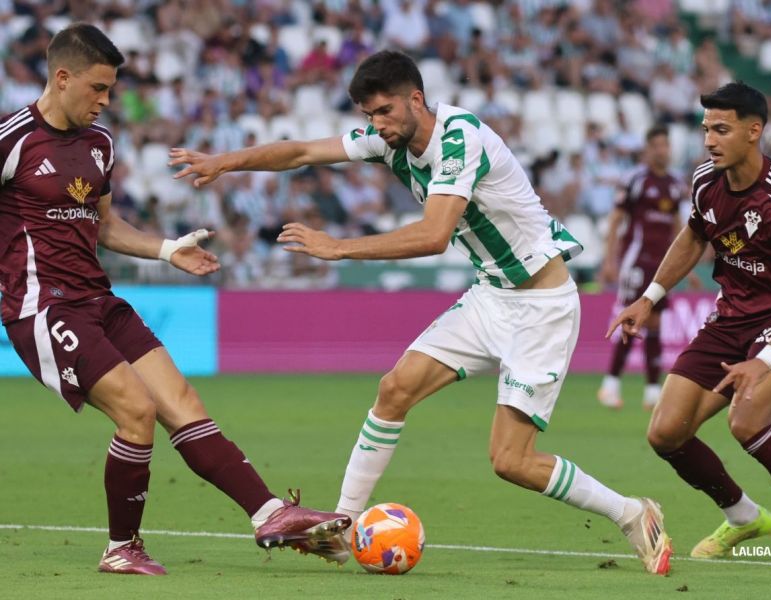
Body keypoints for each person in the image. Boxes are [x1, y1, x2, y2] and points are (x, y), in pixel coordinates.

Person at [170, 49, 673, 575]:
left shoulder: (460, 138)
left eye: (385, 111)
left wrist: (339, 248)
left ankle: (632, 512)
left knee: (511, 461)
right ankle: (343, 526)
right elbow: (301, 151)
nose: (378, 125)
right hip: (491, 295)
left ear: (416, 99)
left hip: (542, 308)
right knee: (395, 389)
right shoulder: (388, 139)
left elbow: (434, 235)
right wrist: (224, 162)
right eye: (369, 115)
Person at [0, 23, 350, 576]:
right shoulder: (13, 139)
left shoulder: (99, 144)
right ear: (62, 78)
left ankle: (270, 514)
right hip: (43, 308)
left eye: (110, 89)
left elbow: (106, 227)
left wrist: (168, 250)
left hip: (98, 299)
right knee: (136, 410)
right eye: (97, 88)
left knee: (181, 401)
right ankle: (121, 548)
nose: (105, 100)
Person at [608, 82, 771, 568]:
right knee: (665, 433)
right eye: (706, 129)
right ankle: (743, 515)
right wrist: (649, 297)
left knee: (745, 421)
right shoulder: (705, 180)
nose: (709, 140)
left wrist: (764, 361)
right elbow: (692, 237)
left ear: (754, 131)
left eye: (721, 130)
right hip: (728, 319)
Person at [599, 125, 689, 411]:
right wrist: (610, 260)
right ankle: (610, 384)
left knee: (655, 323)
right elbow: (616, 219)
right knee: (631, 319)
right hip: (636, 260)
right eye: (657, 145)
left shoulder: (675, 184)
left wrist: (685, 262)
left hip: (662, 265)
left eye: (666, 145)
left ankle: (652, 391)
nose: (662, 150)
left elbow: (678, 226)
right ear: (648, 149)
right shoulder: (635, 180)